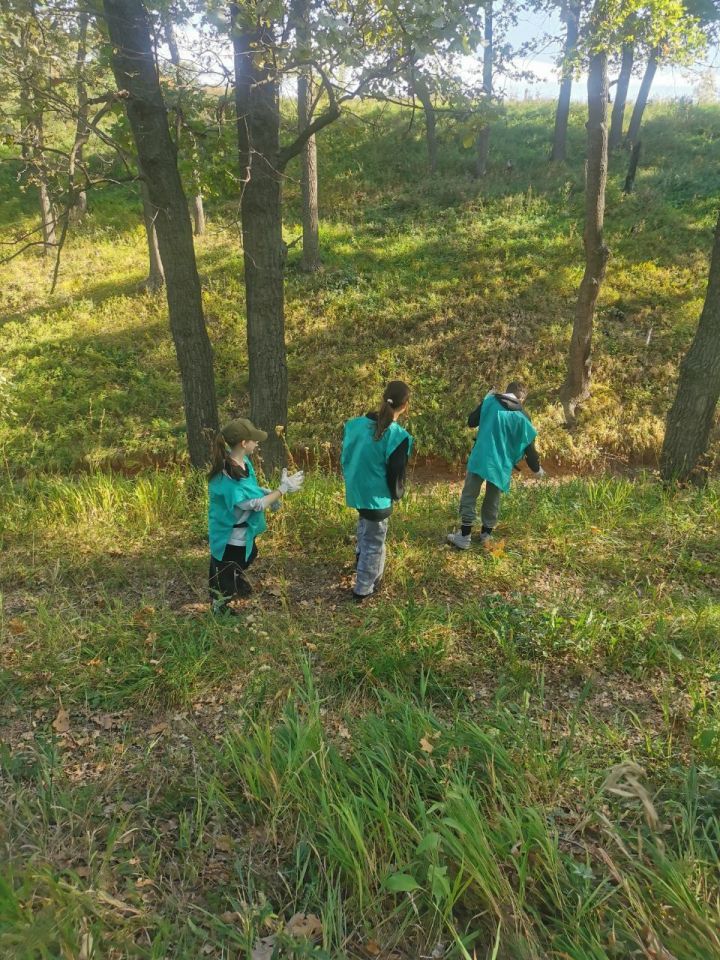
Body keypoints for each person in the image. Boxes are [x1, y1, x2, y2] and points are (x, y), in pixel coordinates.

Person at [207, 418, 304, 615]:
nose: (257, 442)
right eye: (254, 439)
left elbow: (251, 490)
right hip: (229, 535)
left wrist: (266, 491)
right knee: (225, 569)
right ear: (243, 443)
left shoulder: (244, 463)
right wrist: (281, 490)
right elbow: (253, 504)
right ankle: (220, 605)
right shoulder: (228, 475)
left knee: (249, 555)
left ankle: (234, 577)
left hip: (244, 529)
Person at [447, 380, 544, 550]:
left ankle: (464, 536)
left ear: (507, 391)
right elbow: (529, 447)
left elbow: (471, 421)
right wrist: (537, 469)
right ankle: (486, 535)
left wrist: (484, 400)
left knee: (470, 494)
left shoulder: (491, 401)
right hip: (501, 463)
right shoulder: (523, 416)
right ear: (522, 399)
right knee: (493, 498)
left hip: (481, 456)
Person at [341, 381, 413, 602]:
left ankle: (366, 565)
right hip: (377, 497)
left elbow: (346, 454)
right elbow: (396, 475)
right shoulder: (398, 436)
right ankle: (363, 588)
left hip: (356, 489)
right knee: (374, 541)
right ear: (406, 406)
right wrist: (397, 494)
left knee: (366, 528)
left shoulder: (354, 424)